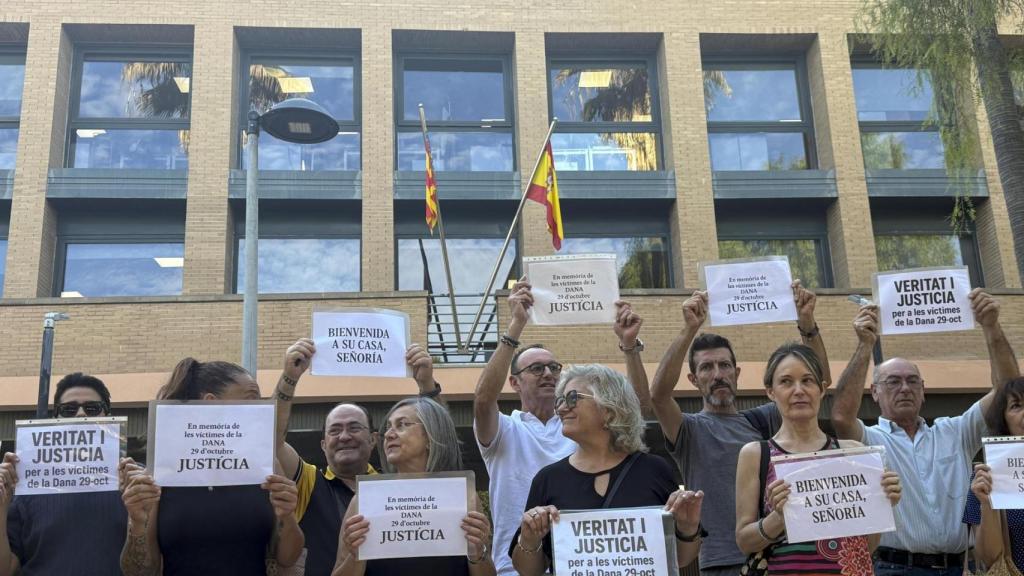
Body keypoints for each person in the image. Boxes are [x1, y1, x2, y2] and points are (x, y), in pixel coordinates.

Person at [831, 289, 1018, 575]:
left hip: (957, 567)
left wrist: (991, 326)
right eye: (893, 382)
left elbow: (1008, 389)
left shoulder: (955, 432)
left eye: (912, 381)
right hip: (893, 568)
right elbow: (842, 416)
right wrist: (865, 345)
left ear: (923, 390)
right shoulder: (870, 440)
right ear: (875, 393)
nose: (904, 388)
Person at [648, 282, 828, 576]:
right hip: (723, 563)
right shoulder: (689, 430)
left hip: (781, 554)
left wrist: (807, 324)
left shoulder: (765, 419)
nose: (718, 375)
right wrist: (689, 329)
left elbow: (819, 381)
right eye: (707, 368)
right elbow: (658, 395)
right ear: (693, 379)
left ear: (737, 372)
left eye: (724, 365)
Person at [474, 277, 648, 576]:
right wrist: (516, 324)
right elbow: (482, 400)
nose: (548, 374)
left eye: (554, 368)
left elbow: (636, 409)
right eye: (536, 368)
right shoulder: (505, 429)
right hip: (514, 568)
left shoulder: (579, 425)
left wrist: (629, 346)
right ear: (514, 382)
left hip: (582, 566)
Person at [510, 364, 704, 576]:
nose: (561, 409)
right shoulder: (548, 479)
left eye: (573, 398)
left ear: (610, 410)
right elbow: (528, 571)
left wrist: (687, 528)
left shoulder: (654, 470)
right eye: (560, 401)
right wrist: (530, 539)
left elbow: (681, 558)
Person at [119, 358, 304, 576]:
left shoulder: (265, 464)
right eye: (250, 400)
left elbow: (286, 558)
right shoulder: (163, 468)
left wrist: (287, 515)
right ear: (210, 402)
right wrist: (137, 524)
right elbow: (139, 571)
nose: (259, 409)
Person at [273, 339, 440, 576]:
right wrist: (290, 378)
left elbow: (438, 442)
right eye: (334, 430)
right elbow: (271, 440)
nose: (344, 436)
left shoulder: (393, 487)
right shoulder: (308, 482)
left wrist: (426, 384)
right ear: (323, 444)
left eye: (354, 428)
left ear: (373, 439)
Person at [736, 343, 902, 575]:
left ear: (822, 389)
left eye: (807, 380)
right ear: (770, 392)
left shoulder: (854, 452)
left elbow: (866, 548)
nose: (799, 390)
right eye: (786, 381)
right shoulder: (756, 454)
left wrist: (883, 505)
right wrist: (778, 517)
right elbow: (744, 541)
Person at [333, 397, 494, 576]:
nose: (388, 434)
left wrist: (478, 552)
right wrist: (355, 556)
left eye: (402, 424)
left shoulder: (464, 498)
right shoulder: (365, 500)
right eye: (388, 427)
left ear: (431, 436)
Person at [0, 373, 127, 576]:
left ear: (108, 415)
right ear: (55, 419)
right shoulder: (26, 481)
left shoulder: (131, 481)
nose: (80, 414)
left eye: (92, 408)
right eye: (68, 409)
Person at [966, 376, 1024, 573]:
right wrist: (986, 503)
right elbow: (990, 558)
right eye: (1016, 405)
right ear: (1003, 419)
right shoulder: (986, 477)